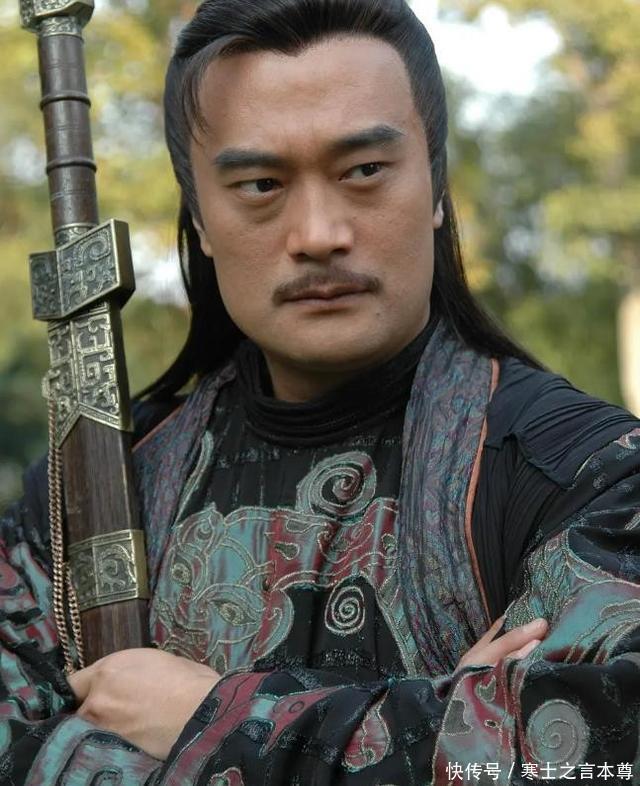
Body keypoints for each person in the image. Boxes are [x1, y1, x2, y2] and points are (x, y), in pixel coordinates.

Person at [1, 0, 639, 783]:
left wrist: (214, 717)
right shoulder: (85, 501)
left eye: (363, 171)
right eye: (261, 183)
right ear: (199, 219)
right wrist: (433, 729)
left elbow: (594, 752)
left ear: (436, 187)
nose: (318, 234)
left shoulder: (589, 478)